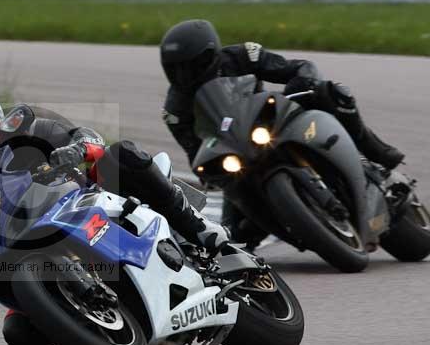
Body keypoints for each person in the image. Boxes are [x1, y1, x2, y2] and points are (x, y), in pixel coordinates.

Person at [0, 87, 229, 345]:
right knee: (19, 336)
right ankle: (97, 326)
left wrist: (76, 149)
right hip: (31, 243)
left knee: (120, 155)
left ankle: (198, 226)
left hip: (84, 199)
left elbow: (86, 136)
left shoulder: (26, 133)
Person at [159, 19, 405, 245]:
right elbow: (194, 151)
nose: (185, 75)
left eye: (192, 66)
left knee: (334, 93)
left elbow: (296, 68)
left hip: (272, 120)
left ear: (211, 55)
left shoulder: (242, 56)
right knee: (233, 234)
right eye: (177, 69)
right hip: (237, 151)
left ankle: (375, 150)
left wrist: (302, 84)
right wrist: (209, 171)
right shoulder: (175, 110)